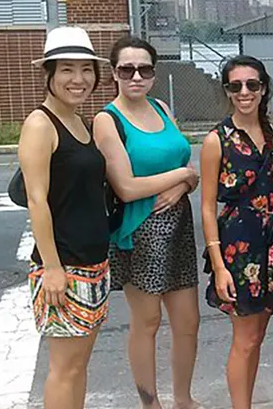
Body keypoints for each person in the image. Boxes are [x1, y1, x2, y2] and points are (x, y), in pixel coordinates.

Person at [93, 36, 201, 409]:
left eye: (144, 69)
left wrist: (186, 180)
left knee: (188, 321)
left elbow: (188, 168)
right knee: (148, 321)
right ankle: (149, 403)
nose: (136, 76)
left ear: (154, 73)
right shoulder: (107, 120)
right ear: (114, 74)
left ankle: (183, 400)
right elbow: (125, 187)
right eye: (127, 69)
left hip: (178, 227)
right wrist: (182, 177)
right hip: (139, 232)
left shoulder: (161, 107)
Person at [19, 26, 111, 409]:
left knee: (79, 364)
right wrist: (53, 269)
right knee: (64, 367)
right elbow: (37, 201)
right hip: (64, 268)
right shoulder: (40, 124)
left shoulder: (79, 121)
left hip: (93, 264)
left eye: (86, 69)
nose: (79, 79)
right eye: (67, 70)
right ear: (50, 75)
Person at [199, 55, 273, 409]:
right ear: (226, 90)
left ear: (264, 88)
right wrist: (219, 264)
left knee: (257, 336)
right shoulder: (217, 141)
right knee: (243, 338)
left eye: (252, 84)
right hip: (237, 250)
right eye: (235, 85)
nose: (244, 92)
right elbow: (208, 206)